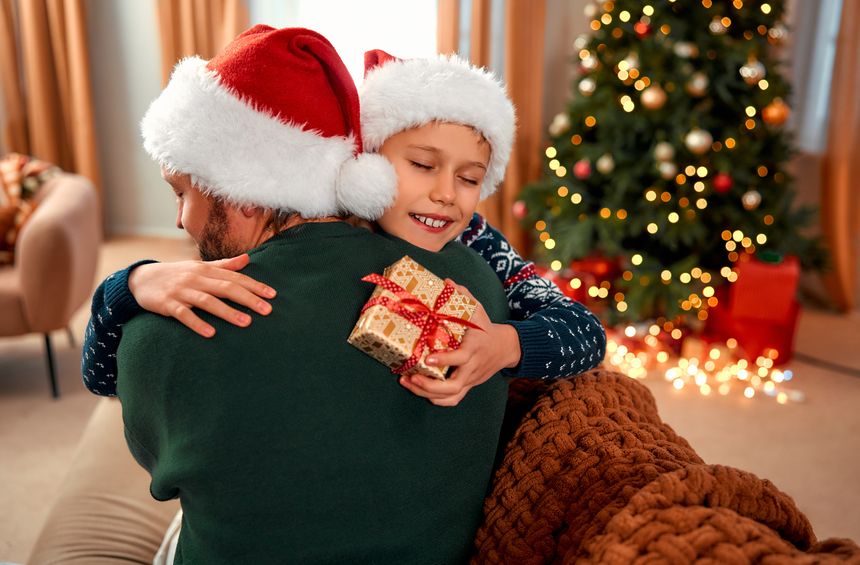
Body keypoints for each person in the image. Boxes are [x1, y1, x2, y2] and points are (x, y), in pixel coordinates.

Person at [115, 25, 511, 564]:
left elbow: (159, 470)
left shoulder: (163, 333)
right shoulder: (478, 279)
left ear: (245, 194)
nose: (179, 218)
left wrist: (126, 287)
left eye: (182, 190)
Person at [82, 51, 606, 406]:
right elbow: (103, 376)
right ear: (366, 167)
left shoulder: (478, 242)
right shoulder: (315, 220)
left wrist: (506, 343)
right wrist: (127, 285)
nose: (448, 193)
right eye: (422, 166)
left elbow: (587, 331)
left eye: (470, 178)